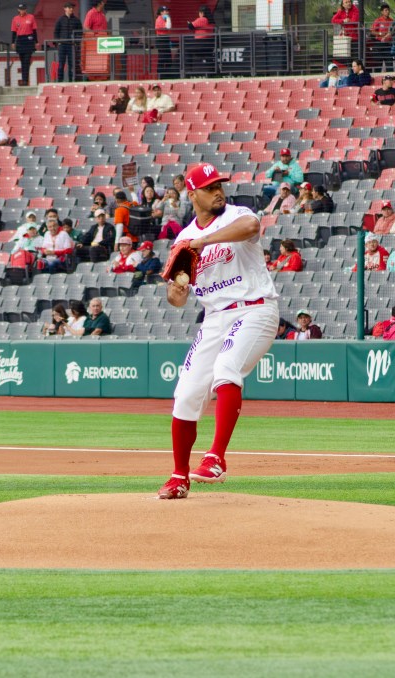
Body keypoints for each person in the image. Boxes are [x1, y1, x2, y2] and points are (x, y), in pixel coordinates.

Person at [157, 162, 279, 500]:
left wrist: (204, 241)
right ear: (192, 194)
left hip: (254, 308)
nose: (217, 192)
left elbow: (252, 226)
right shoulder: (183, 239)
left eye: (219, 185)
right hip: (214, 318)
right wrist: (176, 291)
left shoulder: (236, 215)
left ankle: (215, 458)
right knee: (186, 394)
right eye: (209, 188)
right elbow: (176, 297)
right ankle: (178, 476)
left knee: (226, 369)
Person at [11, 3, 38, 86]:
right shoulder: (15, 18)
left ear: (26, 9)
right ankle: (24, 80)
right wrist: (13, 42)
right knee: (22, 61)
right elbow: (14, 32)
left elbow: (34, 31)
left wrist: (36, 41)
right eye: (21, 9)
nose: (22, 10)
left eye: (23, 9)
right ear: (18, 10)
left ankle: (25, 80)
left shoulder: (31, 17)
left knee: (26, 61)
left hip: (29, 39)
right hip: (20, 40)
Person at [53, 2, 81, 82]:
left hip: (72, 45)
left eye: (72, 8)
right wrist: (57, 43)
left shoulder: (76, 20)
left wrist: (77, 43)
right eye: (69, 7)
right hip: (62, 45)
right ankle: (60, 81)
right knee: (61, 64)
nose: (71, 9)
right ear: (65, 8)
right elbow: (56, 32)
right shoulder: (60, 20)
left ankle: (71, 81)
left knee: (72, 64)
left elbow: (80, 33)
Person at [154, 6, 175, 79]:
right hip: (161, 40)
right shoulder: (159, 19)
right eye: (165, 11)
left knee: (168, 58)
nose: (167, 12)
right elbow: (168, 27)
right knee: (162, 58)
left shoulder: (163, 19)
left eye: (167, 11)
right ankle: (161, 75)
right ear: (161, 12)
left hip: (164, 39)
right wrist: (168, 18)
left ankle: (168, 75)